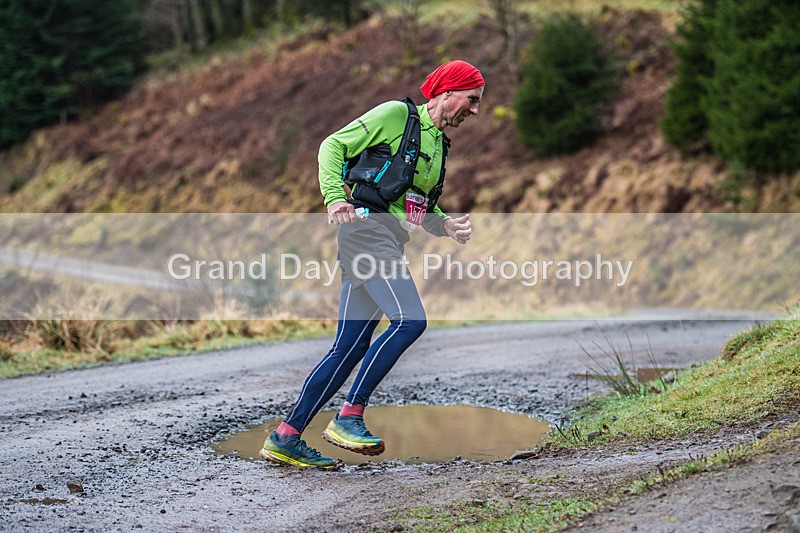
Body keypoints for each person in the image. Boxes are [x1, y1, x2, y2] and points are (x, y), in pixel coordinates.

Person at [260, 60, 484, 468]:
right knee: (410, 321)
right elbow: (332, 145)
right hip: (365, 234)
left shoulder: (436, 144)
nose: (475, 109)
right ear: (448, 92)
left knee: (349, 347)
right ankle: (350, 416)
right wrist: (334, 197)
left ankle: (286, 436)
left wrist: (444, 224)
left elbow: (408, 204)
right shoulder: (397, 115)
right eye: (471, 99)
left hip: (387, 240)